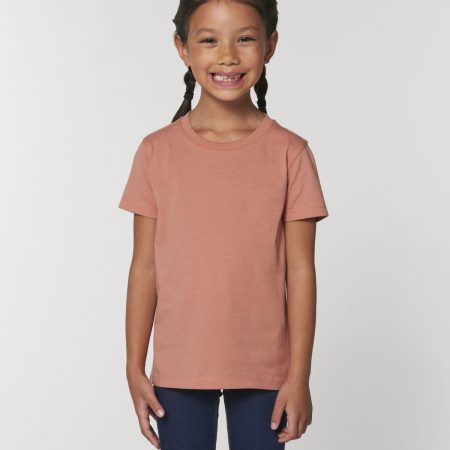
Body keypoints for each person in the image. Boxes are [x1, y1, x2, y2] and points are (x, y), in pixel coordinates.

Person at [118, 1, 329, 449]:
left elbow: (300, 270)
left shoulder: (290, 153)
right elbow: (145, 266)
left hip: (267, 370)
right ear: (183, 48)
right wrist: (134, 368)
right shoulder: (156, 152)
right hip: (179, 366)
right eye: (209, 40)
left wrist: (299, 376)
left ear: (270, 46)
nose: (228, 55)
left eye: (245, 38)